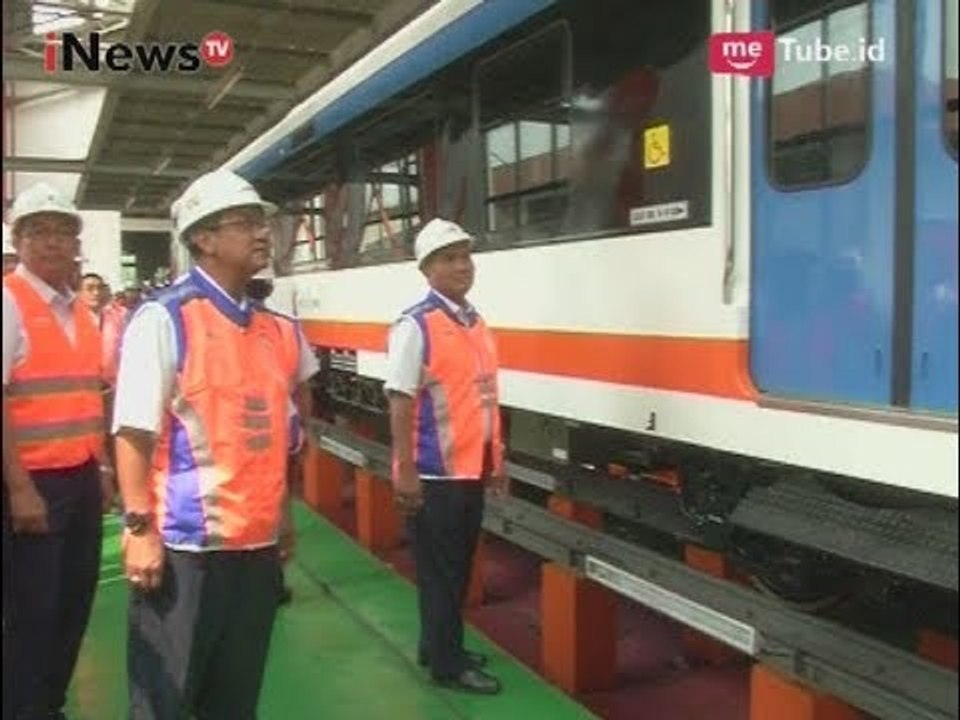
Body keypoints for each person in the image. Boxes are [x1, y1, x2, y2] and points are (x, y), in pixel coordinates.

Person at [113, 169, 317, 719]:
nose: (261, 234)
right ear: (203, 239)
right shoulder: (165, 318)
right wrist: (138, 530)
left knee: (235, 697)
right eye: (246, 223)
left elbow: (275, 438)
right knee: (165, 696)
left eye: (263, 222)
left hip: (254, 550)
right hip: (186, 550)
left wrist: (283, 519)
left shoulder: (276, 330)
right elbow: (133, 431)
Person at [2, 182, 114, 719]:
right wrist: (20, 489)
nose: (51, 242)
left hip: (81, 478)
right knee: (33, 613)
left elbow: (88, 396)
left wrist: (104, 468)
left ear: (77, 243)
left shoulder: (82, 313)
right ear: (18, 240)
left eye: (63, 231)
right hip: (30, 487)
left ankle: (49, 705)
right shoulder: (7, 302)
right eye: (38, 231)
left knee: (74, 603)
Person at [385, 218, 508, 695]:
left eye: (465, 256)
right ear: (427, 269)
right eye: (449, 258)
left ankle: (436, 644)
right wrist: (405, 469)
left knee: (456, 567)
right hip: (435, 474)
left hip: (470, 468)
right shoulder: (416, 325)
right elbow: (399, 398)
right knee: (442, 572)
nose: (462, 266)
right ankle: (448, 665)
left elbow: (483, 398)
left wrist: (496, 460)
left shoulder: (474, 322)